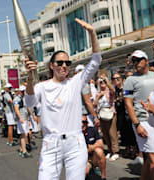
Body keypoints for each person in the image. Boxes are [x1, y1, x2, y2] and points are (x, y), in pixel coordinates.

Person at [25, 18, 102, 180]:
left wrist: (93, 33)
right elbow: (30, 102)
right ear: (52, 66)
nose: (64, 66)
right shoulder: (42, 87)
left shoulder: (76, 82)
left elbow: (96, 61)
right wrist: (30, 78)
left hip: (75, 143)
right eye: (60, 63)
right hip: (51, 143)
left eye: (67, 62)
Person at [123, 50, 154, 180]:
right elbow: (128, 104)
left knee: (150, 159)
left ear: (146, 60)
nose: (136, 63)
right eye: (133, 61)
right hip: (143, 121)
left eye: (138, 60)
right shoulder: (129, 80)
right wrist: (137, 124)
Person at [94, 72, 119, 161]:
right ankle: (110, 150)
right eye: (101, 82)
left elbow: (113, 89)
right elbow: (95, 104)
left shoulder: (109, 91)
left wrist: (106, 80)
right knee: (105, 133)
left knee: (112, 133)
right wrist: (98, 97)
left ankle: (115, 151)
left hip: (110, 113)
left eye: (103, 82)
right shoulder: (98, 93)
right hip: (101, 114)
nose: (102, 84)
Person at [112, 73, 137, 159]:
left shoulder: (126, 88)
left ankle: (133, 150)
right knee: (123, 132)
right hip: (119, 114)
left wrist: (120, 97)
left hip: (127, 113)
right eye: (114, 79)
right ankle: (127, 149)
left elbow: (128, 97)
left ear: (122, 79)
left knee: (130, 132)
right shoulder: (115, 89)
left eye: (117, 78)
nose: (116, 80)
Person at [13, 86, 32, 158]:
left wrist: (29, 118)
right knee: (24, 135)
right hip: (21, 119)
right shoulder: (17, 99)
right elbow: (16, 109)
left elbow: (25, 108)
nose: (24, 92)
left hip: (25, 118)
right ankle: (24, 151)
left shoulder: (23, 98)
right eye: (23, 91)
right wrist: (20, 118)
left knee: (22, 135)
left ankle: (21, 149)